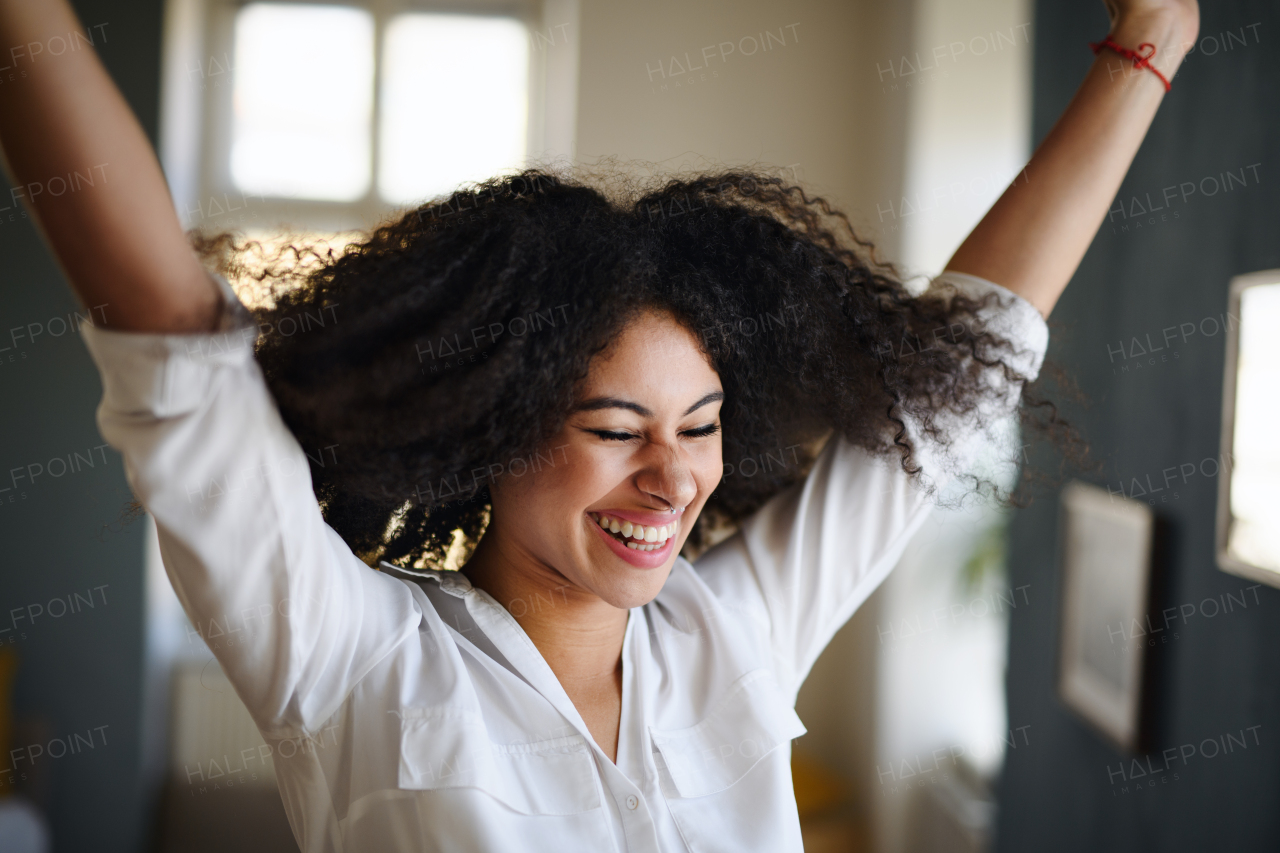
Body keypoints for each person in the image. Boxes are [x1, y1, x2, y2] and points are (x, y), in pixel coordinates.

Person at [0, 0, 1198, 850]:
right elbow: (169, 333)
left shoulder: (734, 632)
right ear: (495, 425)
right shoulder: (350, 660)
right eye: (616, 427)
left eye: (702, 423)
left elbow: (961, 363)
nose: (671, 479)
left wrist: (1147, 45)